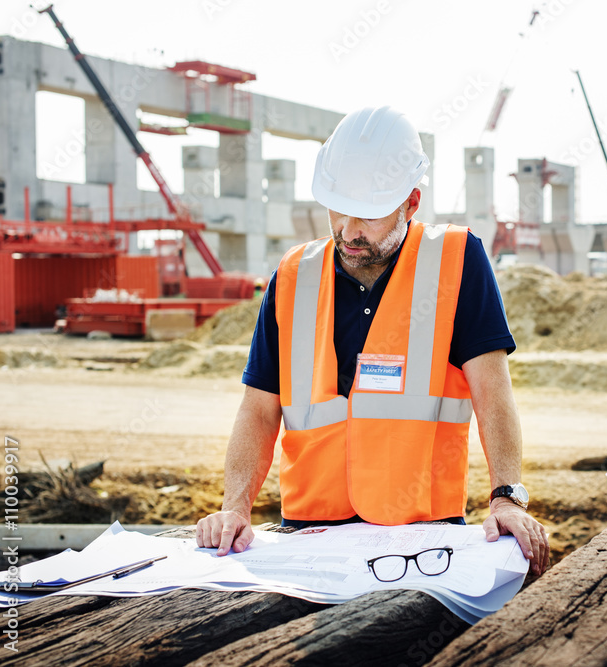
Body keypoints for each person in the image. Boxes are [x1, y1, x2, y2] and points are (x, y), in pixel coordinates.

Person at [196, 106, 549, 575]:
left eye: (370, 214)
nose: (349, 229)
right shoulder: (293, 274)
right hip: (309, 534)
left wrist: (508, 498)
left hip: (424, 537)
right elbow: (260, 407)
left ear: (412, 202)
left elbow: (493, 393)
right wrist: (236, 507)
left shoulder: (457, 260)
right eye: (338, 209)